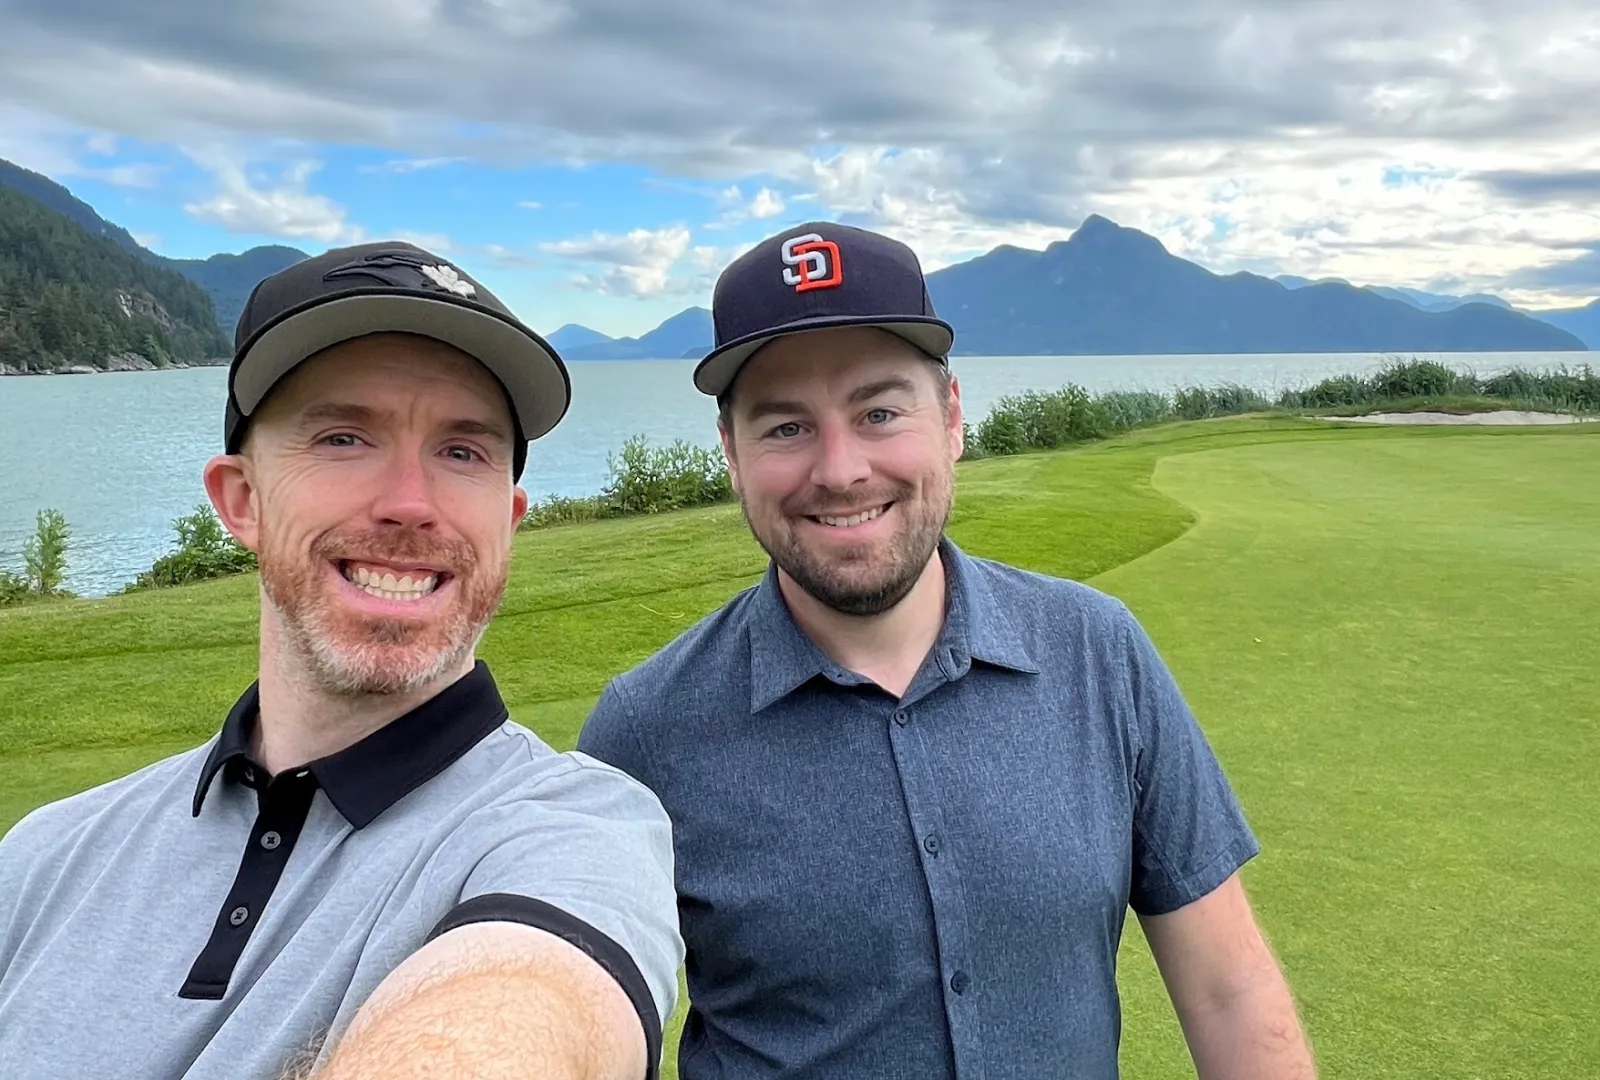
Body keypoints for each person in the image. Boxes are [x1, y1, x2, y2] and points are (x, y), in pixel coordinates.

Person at [577, 222, 1317, 1079]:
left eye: (880, 412)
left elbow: (1231, 992)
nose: (841, 469)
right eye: (785, 427)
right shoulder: (646, 728)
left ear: (953, 419)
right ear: (732, 455)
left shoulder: (1098, 652)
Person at [0, 242, 683, 1080]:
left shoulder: (578, 834)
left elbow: (532, 1002)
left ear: (508, 520)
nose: (408, 503)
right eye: (344, 436)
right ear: (242, 499)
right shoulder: (44, 856)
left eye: (462, 451)